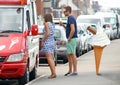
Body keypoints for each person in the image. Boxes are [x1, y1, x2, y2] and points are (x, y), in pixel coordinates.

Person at [60, 6, 78, 76]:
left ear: (68, 11)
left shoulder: (70, 18)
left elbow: (73, 29)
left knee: (72, 55)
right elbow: (69, 29)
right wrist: (63, 26)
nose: (64, 13)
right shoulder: (70, 18)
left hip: (72, 39)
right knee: (69, 55)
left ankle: (75, 71)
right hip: (72, 38)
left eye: (64, 12)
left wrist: (69, 38)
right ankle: (70, 70)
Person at [40, 13, 56, 78]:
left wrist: (43, 40)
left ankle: (53, 73)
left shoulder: (46, 24)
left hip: (47, 42)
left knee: (49, 59)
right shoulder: (52, 24)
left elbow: (47, 33)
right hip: (52, 41)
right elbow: (47, 32)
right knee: (51, 58)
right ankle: (54, 72)